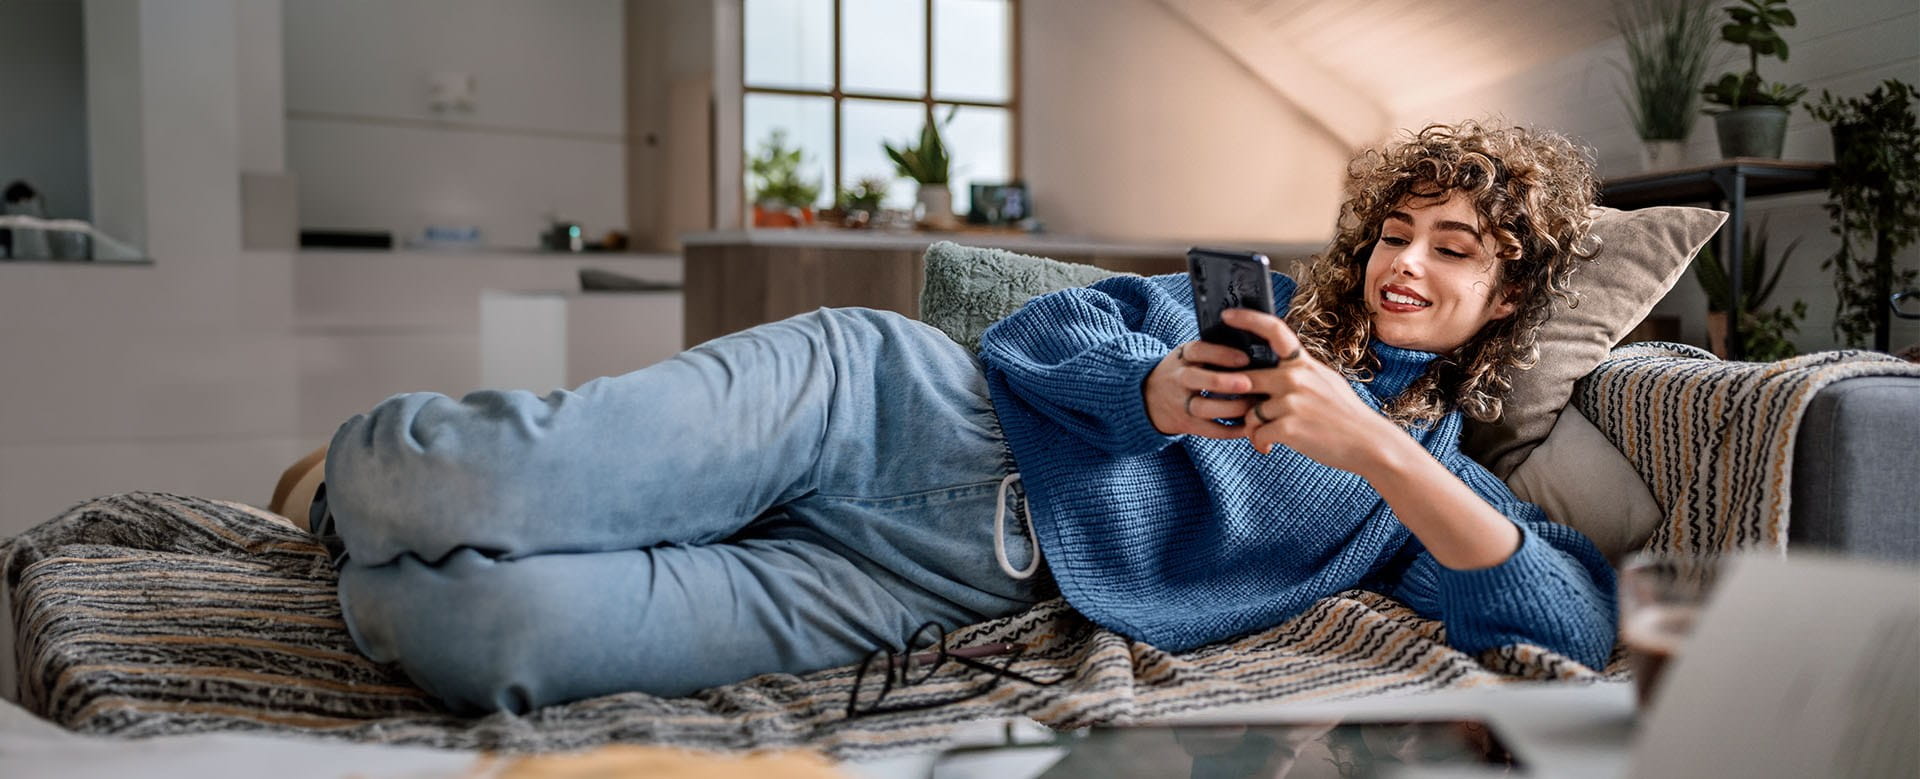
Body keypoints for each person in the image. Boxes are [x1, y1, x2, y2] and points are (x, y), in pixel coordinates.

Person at [312, 120, 1617, 715]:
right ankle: (336, 489)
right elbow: (1040, 332)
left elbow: (1567, 619)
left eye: (1457, 249)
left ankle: (358, 548)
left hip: (936, 592)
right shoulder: (1258, 309)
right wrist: (1153, 389)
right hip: (891, 410)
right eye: (1398, 231)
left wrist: (1373, 446)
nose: (1410, 262)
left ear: (1508, 294)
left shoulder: (1420, 484)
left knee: (477, 638)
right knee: (441, 491)